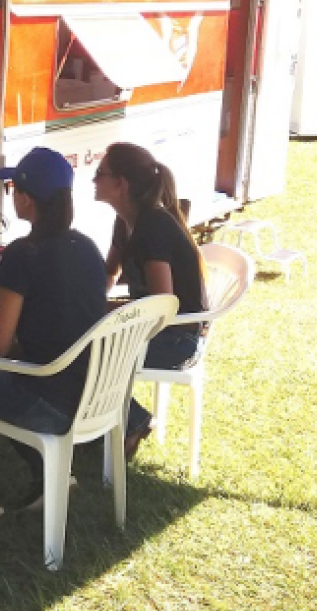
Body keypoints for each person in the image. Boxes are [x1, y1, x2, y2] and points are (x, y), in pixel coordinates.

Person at [0, 147, 108, 523]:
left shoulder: (23, 254)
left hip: (52, 401)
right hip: (93, 394)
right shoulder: (87, 246)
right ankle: (52, 477)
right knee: (0, 378)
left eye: (14, 188)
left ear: (27, 200)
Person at [94, 141, 207, 461]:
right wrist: (90, 301)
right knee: (78, 335)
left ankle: (131, 420)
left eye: (100, 173)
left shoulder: (153, 227)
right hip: (159, 327)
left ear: (121, 184)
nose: (93, 180)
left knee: (87, 349)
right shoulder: (126, 221)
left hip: (177, 338)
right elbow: (109, 272)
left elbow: (162, 304)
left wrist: (112, 315)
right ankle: (112, 423)